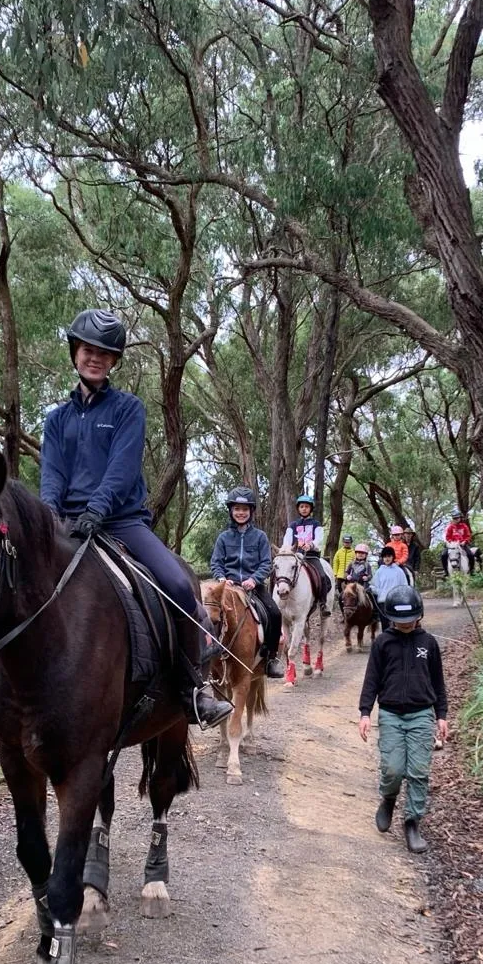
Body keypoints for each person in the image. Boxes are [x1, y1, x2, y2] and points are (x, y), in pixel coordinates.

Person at [32, 309, 233, 728]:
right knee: (12, 576)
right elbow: (50, 473)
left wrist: (97, 511)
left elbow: (121, 471)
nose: (96, 359)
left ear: (114, 361)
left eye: (105, 354)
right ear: (75, 352)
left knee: (178, 583)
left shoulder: (128, 408)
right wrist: (51, 516)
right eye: (89, 351)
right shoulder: (56, 420)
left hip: (120, 520)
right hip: (67, 521)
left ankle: (192, 688)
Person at [358, 586, 448, 854]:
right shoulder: (383, 643)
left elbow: (438, 684)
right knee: (393, 768)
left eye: (410, 621)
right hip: (391, 714)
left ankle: (412, 822)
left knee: (419, 771)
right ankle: (388, 798)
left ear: (418, 617)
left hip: (422, 714)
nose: (406, 626)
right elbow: (371, 680)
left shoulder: (428, 643)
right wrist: (365, 712)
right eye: (400, 622)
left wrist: (441, 715)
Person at [208, 487, 284, 678]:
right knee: (207, 612)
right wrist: (221, 578)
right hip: (228, 586)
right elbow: (216, 562)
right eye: (237, 509)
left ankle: (271, 657)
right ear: (231, 511)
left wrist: (254, 579)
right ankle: (206, 655)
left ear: (251, 512)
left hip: (254, 587)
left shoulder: (260, 537)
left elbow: (266, 562)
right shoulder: (223, 538)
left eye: (244, 509)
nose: (240, 513)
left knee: (274, 613)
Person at [282, 492, 330, 605]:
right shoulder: (293, 525)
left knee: (322, 576)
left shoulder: (316, 524)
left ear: (311, 509)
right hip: (296, 555)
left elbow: (319, 538)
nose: (304, 509)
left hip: (311, 556)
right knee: (279, 574)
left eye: (307, 507)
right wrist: (286, 549)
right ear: (298, 509)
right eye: (302, 506)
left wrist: (311, 545)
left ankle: (323, 603)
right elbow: (287, 540)